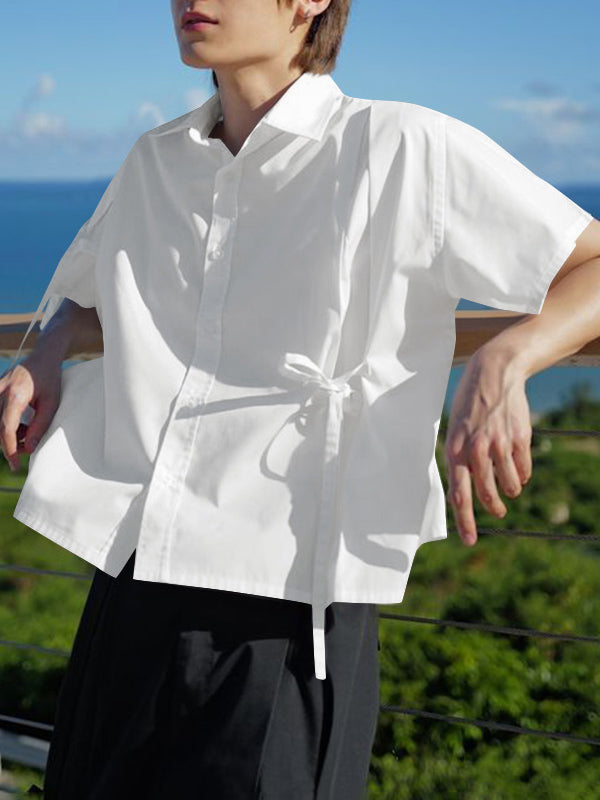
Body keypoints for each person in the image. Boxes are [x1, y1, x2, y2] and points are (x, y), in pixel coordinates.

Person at [2, 0, 600, 798]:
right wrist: (45, 349)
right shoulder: (156, 160)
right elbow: (90, 294)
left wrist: (509, 355)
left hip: (289, 605)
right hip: (132, 583)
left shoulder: (402, 146)